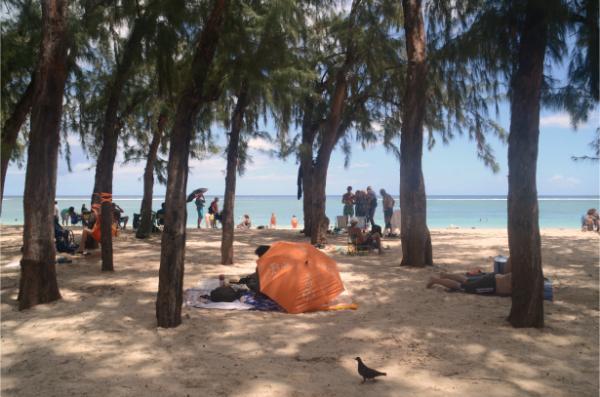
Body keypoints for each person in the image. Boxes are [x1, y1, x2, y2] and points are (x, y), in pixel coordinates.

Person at [426, 258, 512, 296]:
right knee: (461, 287)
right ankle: (435, 280)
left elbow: (505, 270)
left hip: (495, 277)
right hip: (492, 285)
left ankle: (445, 275)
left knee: (467, 280)